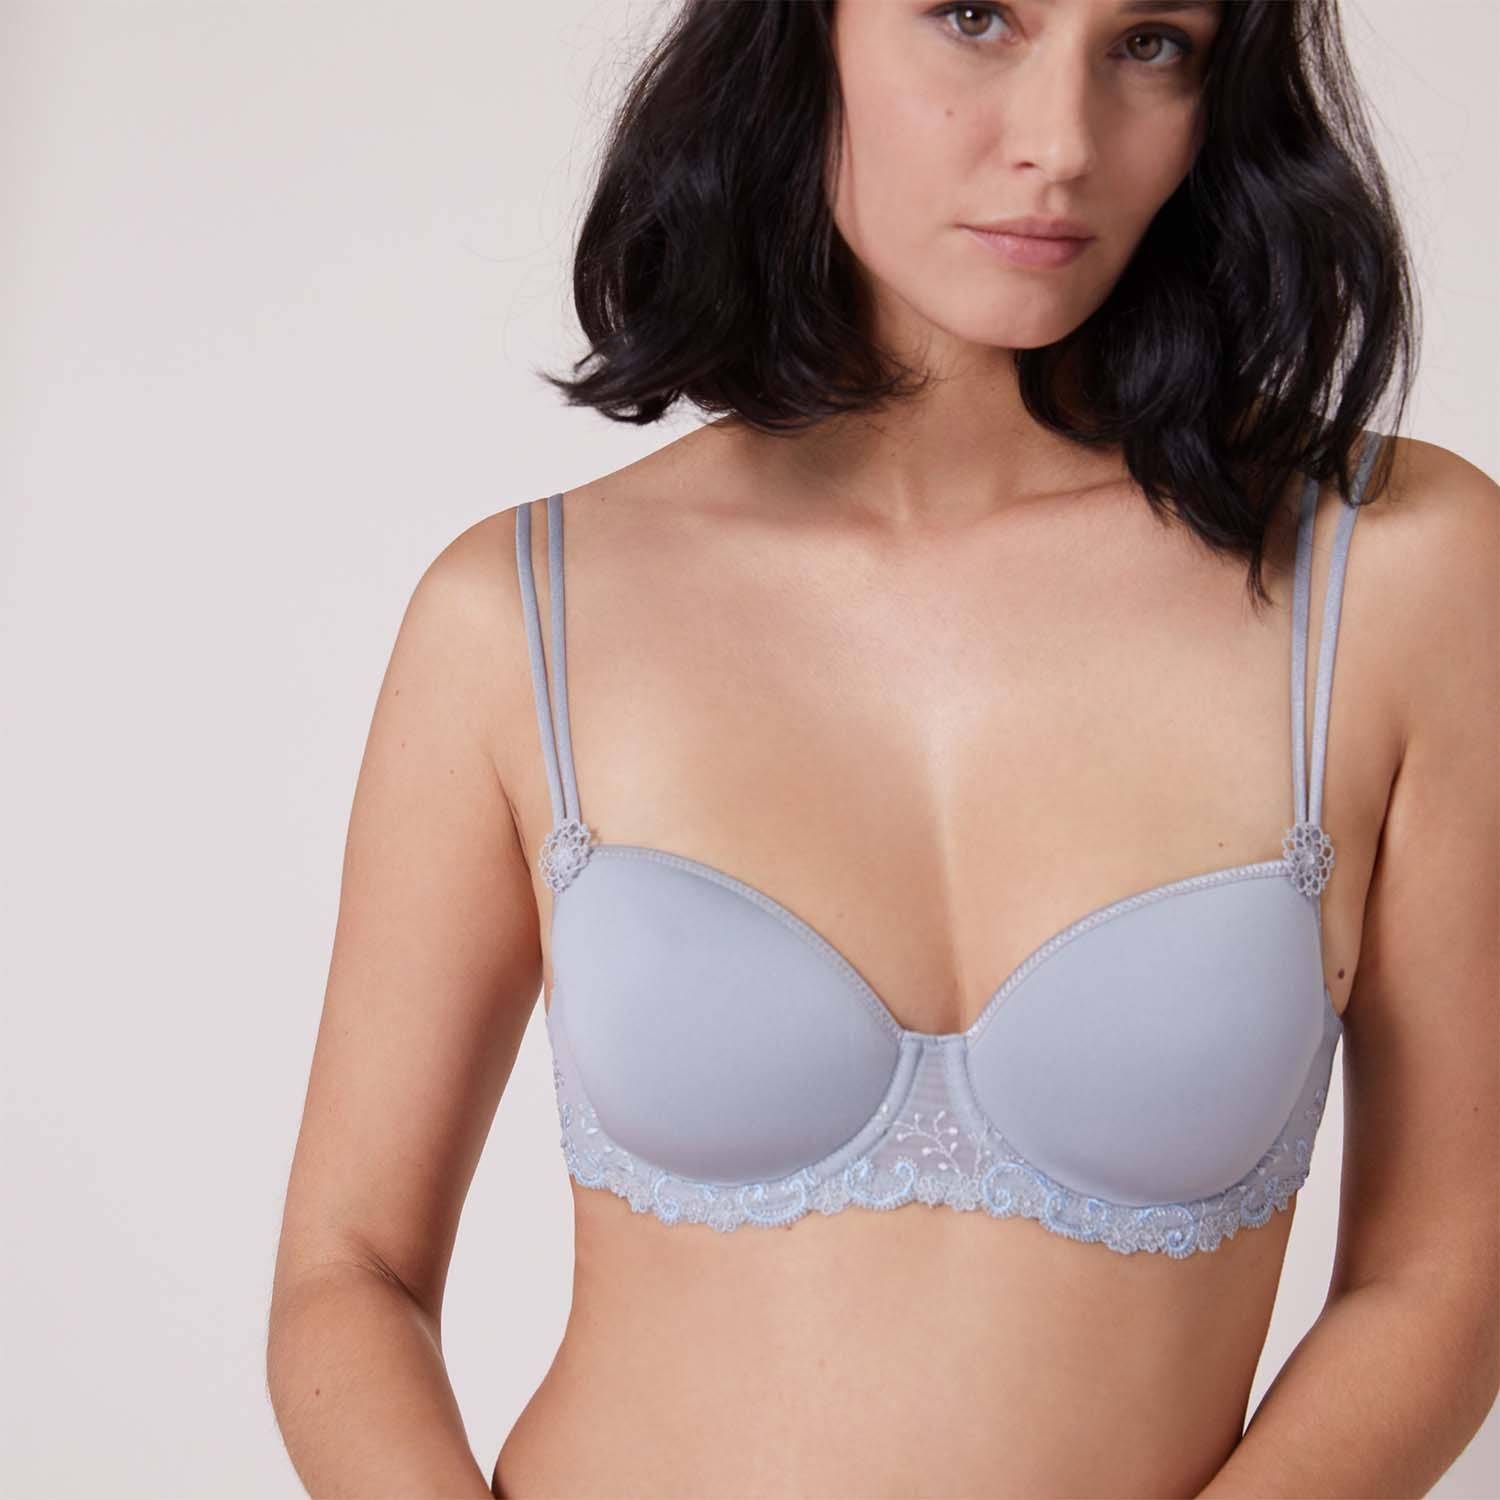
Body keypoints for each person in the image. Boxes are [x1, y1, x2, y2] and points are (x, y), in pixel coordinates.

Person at [266, 2, 1499, 1496]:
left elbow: (1444, 1281)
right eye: (977, 16)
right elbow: (349, 1271)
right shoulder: (520, 612)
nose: (1061, 142)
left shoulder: (1400, 574)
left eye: (1152, 42)